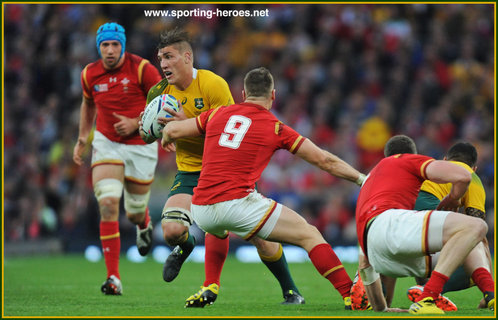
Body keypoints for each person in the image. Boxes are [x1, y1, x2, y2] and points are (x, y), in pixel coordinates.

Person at [160, 67, 368, 309]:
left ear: (243, 92)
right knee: (309, 234)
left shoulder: (217, 114)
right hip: (237, 203)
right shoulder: (275, 126)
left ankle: (210, 285)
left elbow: (173, 129)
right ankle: (348, 294)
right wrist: (361, 178)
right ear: (273, 95)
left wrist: (166, 136)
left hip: (202, 208)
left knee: (218, 227)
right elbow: (325, 160)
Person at [141, 29, 307, 306]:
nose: (164, 64)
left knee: (261, 240)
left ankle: (291, 291)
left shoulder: (212, 85)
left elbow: (232, 138)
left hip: (225, 169)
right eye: (160, 59)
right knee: (171, 230)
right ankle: (186, 248)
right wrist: (157, 132)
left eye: (169, 57)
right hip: (190, 172)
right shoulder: (158, 93)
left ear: (187, 57)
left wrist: (185, 126)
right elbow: (147, 132)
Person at [354, 135, 494, 314]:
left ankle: (373, 291)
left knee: (454, 241)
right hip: (394, 223)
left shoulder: (371, 180)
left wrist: (382, 308)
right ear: (412, 155)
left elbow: (365, 262)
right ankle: (430, 295)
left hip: (376, 250)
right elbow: (464, 177)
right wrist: (452, 198)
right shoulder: (412, 162)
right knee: (476, 229)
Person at [73, 22, 162, 295]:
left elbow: (165, 103)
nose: (110, 50)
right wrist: (82, 138)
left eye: (114, 45)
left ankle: (143, 222)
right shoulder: (89, 74)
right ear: (98, 47)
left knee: (133, 212)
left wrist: (136, 122)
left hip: (141, 144)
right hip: (107, 142)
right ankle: (114, 278)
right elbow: (88, 104)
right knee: (109, 202)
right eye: (104, 45)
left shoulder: (141, 69)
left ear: (122, 45)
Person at [407, 141, 493, 309]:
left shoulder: (432, 167)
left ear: (445, 159)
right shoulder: (471, 177)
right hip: (429, 214)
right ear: (474, 168)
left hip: (402, 219)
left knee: (428, 259)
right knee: (474, 242)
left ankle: (370, 293)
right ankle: (490, 293)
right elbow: (477, 230)